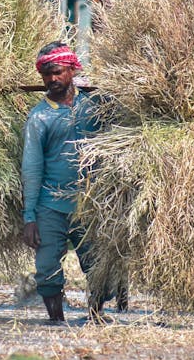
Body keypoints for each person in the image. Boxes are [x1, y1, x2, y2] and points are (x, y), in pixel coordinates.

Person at [21, 41, 125, 322]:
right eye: (46, 75)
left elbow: (125, 116)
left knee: (98, 266)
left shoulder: (95, 106)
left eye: (57, 72)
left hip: (90, 203)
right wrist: (30, 217)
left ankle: (96, 315)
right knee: (47, 268)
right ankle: (55, 321)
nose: (51, 80)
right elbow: (31, 169)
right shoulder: (39, 117)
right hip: (50, 204)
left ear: (71, 70)